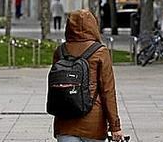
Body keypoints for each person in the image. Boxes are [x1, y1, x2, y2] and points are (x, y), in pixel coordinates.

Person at [52, 9, 123, 142]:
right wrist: (115, 127)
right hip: (94, 124)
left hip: (64, 123)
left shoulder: (60, 51)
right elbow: (108, 91)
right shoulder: (100, 52)